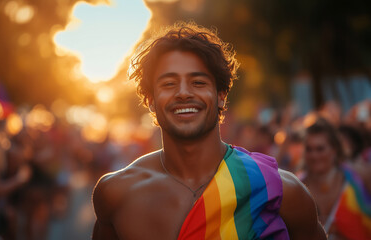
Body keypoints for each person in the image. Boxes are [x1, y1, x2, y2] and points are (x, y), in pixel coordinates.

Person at [92, 22, 326, 239]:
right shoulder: (116, 193)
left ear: (221, 96)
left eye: (198, 82)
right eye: (169, 83)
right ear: (151, 100)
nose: (183, 93)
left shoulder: (280, 191)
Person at [302, 118, 371, 240]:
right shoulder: (298, 186)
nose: (314, 155)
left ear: (334, 149)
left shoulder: (359, 175)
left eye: (320, 148)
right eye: (309, 149)